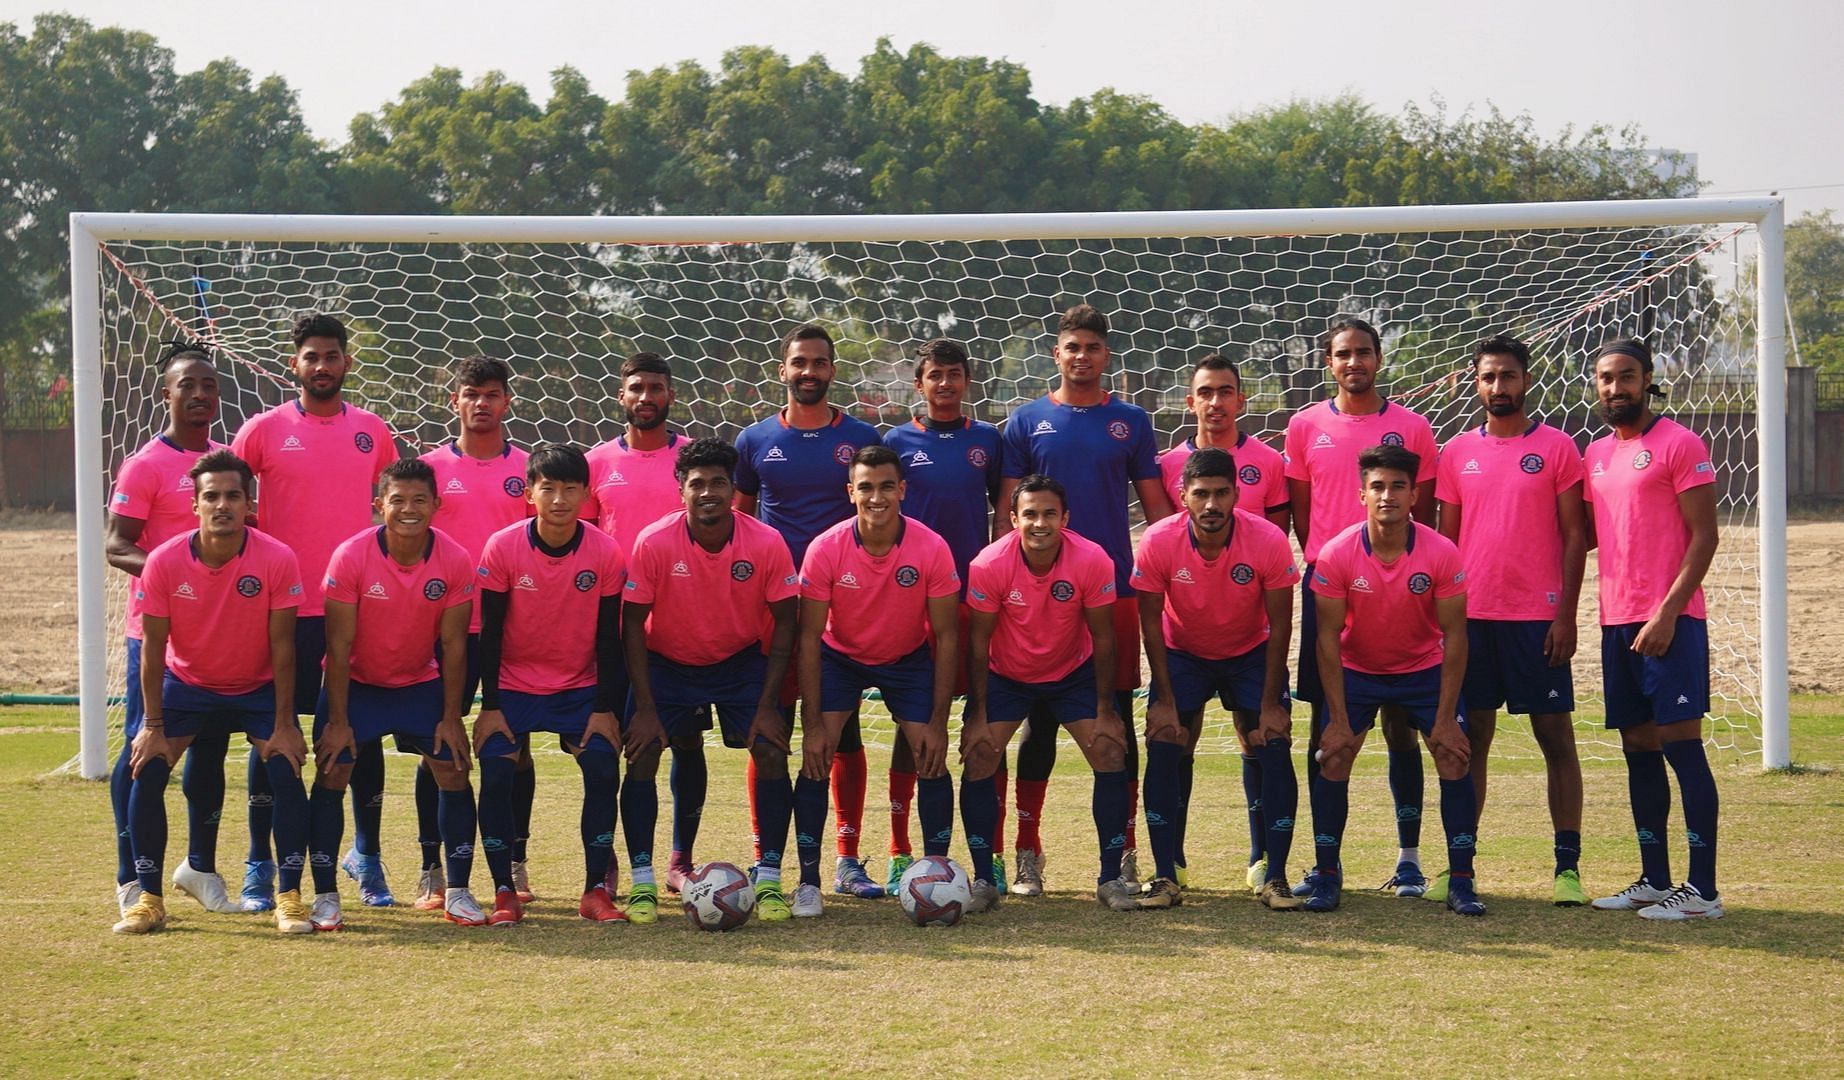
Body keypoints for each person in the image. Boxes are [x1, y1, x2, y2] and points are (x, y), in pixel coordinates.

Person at [998, 304, 1172, 895]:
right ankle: (1027, 850)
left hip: (1112, 593)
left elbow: (1156, 510)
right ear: (1057, 353)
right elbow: (1007, 518)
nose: (1082, 357)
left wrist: (1169, 572)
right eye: (1072, 347)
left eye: (1092, 348)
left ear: (1106, 355)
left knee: (1115, 721)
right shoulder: (1025, 422)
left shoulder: (1130, 421)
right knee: (1038, 724)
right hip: (1039, 598)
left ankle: (1120, 854)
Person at [231, 312, 398, 911]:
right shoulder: (262, 430)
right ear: (294, 363)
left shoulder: (374, 432)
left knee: (361, 732)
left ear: (346, 362)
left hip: (357, 608)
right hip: (282, 609)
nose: (322, 366)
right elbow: (225, 496)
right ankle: (259, 862)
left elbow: (394, 513)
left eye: (332, 356)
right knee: (272, 736)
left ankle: (367, 855)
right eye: (312, 357)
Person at [114, 450, 313, 935]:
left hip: (256, 687)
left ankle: (289, 898)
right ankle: (149, 899)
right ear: (195, 505)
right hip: (187, 686)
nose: (222, 505)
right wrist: (153, 727)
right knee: (147, 768)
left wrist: (285, 725)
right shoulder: (163, 561)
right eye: (211, 496)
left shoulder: (276, 558)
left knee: (286, 770)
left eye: (232, 496)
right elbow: (154, 647)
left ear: (250, 503)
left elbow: (283, 647)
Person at [1283, 316, 1439, 898]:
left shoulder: (1413, 428)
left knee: (1403, 728)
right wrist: (1332, 564)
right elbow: (1303, 513)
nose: (1355, 363)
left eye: (1364, 353)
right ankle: (1328, 865)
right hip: (1331, 587)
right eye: (1344, 354)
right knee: (1329, 731)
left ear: (1379, 359)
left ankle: (1409, 859)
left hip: (1404, 588)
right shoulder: (1304, 426)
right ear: (1330, 363)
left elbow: (1427, 514)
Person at [620, 438, 801, 923]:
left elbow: (787, 621)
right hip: (667, 663)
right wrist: (644, 707)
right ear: (680, 489)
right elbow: (633, 624)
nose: (708, 492)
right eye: (696, 483)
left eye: (718, 482)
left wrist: (768, 704)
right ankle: (643, 880)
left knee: (769, 747)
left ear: (732, 488)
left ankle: (768, 877)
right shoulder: (654, 542)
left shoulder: (764, 541)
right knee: (644, 752)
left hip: (739, 662)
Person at [1436, 333, 1589, 906]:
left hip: (1536, 620)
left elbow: (1575, 536)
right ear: (1476, 385)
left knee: (1555, 738)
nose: (1498, 386)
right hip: (1471, 622)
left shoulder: (1557, 449)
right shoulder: (1456, 453)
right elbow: (1444, 544)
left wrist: (1566, 615)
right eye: (1488, 377)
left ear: (1526, 380)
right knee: (1470, 740)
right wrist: (1440, 620)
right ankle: (1460, 869)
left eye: (1508, 376)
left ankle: (1567, 868)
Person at [734, 324, 886, 899]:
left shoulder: (864, 437)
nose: (810, 371)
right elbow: (742, 524)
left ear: (831, 371)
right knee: (767, 730)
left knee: (839, 735)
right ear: (783, 369)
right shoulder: (754, 440)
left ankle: (847, 858)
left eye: (820, 362)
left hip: (841, 613)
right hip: (774, 615)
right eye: (800, 362)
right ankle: (764, 856)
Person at [1581, 338, 1724, 920]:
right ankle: (1655, 878)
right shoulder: (1595, 454)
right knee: (1637, 745)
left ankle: (1704, 891)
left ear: (1648, 381)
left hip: (1671, 620)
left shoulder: (1680, 444)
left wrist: (1666, 612)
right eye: (1606, 379)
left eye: (1627, 377)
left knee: (1681, 745)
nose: (1616, 388)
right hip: (1617, 621)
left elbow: (1705, 537)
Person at [1307, 444, 1483, 916]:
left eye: (1398, 487)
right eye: (1378, 487)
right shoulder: (1337, 553)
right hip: (1358, 670)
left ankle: (1462, 879)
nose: (1388, 496)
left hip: (1422, 668)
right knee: (1335, 753)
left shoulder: (1441, 553)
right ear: (1361, 494)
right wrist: (1340, 718)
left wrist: (1446, 719)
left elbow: (1455, 636)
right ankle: (1327, 875)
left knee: (1452, 752)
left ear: (1413, 494)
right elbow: (1326, 639)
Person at [792, 446, 966, 917]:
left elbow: (947, 635)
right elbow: (808, 637)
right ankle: (808, 881)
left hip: (907, 659)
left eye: (886, 486)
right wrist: (810, 723)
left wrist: (938, 719)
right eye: (865, 487)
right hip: (839, 656)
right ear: (851, 493)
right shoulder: (826, 548)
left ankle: (937, 872)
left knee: (930, 755)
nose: (876, 496)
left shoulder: (930, 546)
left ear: (902, 490)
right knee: (817, 755)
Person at [959, 474, 1143, 912]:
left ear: (1065, 518)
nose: (1039, 523)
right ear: (1012, 519)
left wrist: (1105, 709)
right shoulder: (988, 564)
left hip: (1072, 673)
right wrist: (977, 713)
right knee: (982, 754)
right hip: (1008, 675)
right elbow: (977, 643)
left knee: (1111, 752)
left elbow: (1104, 638)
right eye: (1029, 515)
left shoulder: (1092, 559)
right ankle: (985, 879)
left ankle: (1110, 877)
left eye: (1048, 514)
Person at [310, 460, 479, 930]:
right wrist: (339, 720)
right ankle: (325, 895)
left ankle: (459, 891)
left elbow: (453, 646)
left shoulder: (455, 559)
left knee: (451, 764)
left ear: (436, 506)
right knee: (333, 768)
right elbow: (338, 648)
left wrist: (451, 717)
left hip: (416, 684)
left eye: (420, 500)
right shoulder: (350, 556)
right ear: (379, 505)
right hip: (357, 686)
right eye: (398, 500)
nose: (409, 510)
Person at [1133, 447, 1301, 910]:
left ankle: (1277, 876)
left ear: (1237, 494)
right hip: (1183, 653)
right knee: (1166, 740)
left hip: (1250, 653)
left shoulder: (1266, 539)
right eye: (1201, 494)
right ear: (1182, 495)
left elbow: (1281, 626)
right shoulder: (1159, 540)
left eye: (1222, 493)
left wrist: (1271, 703)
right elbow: (1150, 623)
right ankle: (1166, 875)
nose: (1212, 504)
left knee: (1271, 741)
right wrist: (1161, 696)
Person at [103, 343, 236, 917]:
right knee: (144, 749)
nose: (200, 394)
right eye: (188, 385)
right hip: (157, 633)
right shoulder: (146, 464)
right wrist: (173, 574)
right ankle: (131, 875)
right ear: (166, 394)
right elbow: (117, 545)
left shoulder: (226, 461)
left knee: (210, 750)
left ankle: (198, 867)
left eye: (209, 384)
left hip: (221, 629)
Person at [472, 445, 629, 926]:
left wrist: (604, 709)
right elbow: (490, 633)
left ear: (586, 494)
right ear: (529, 493)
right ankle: (504, 891)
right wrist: (491, 706)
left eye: (570, 489)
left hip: (579, 690)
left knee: (603, 770)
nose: (559, 499)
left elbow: (610, 638)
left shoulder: (604, 550)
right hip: (513, 689)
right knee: (497, 772)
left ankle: (594, 892)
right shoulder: (502, 546)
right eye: (549, 488)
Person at [1155, 352, 1290, 889]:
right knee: (1174, 739)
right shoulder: (1166, 465)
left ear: (1241, 398)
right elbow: (1164, 549)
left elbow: (1273, 546)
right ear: (1190, 401)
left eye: (1225, 391)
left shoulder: (1269, 463)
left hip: (1247, 634)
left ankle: (1263, 861)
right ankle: (1173, 864)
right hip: (1184, 633)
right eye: (1205, 392)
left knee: (1255, 735)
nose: (1215, 402)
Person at [880, 337, 1005, 891]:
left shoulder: (987, 441)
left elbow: (1005, 511)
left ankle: (991, 852)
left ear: (967, 381)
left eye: (955, 374)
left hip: (974, 596)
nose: (945, 384)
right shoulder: (896, 441)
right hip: (911, 599)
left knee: (987, 719)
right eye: (935, 376)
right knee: (913, 727)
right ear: (919, 384)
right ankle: (900, 849)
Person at [582, 352, 706, 896]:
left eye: (656, 387)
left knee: (687, 742)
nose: (646, 396)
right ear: (621, 396)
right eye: (636, 388)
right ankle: (609, 858)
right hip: (616, 628)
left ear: (671, 396)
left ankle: (681, 858)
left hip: (681, 628)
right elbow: (583, 542)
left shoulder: (693, 460)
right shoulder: (595, 462)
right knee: (616, 746)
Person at [417, 356, 533, 909]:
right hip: (441, 629)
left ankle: (516, 858)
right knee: (435, 744)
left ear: (507, 401)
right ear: (454, 402)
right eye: (471, 394)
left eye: (492, 394)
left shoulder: (529, 471)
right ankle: (432, 868)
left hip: (512, 629)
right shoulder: (427, 470)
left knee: (515, 748)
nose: (481, 403)